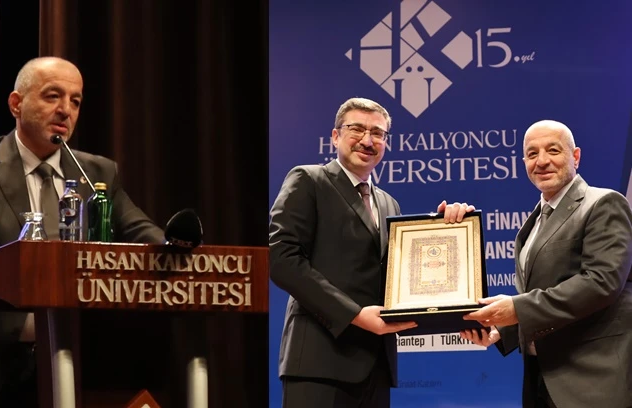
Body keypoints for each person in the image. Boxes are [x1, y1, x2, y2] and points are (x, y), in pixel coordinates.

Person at [0, 56, 165, 408]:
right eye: (52, 96)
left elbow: (139, 228)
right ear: (16, 104)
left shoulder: (97, 172)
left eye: (75, 101)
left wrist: (174, 249)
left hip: (77, 358)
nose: (65, 110)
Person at [269, 97, 474, 407]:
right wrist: (354, 315)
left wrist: (445, 230)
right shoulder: (309, 180)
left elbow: (398, 277)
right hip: (319, 362)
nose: (367, 140)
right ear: (335, 136)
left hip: (376, 365)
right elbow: (282, 260)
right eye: (357, 129)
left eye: (377, 133)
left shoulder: (389, 203)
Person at [460, 120, 632, 407]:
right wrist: (502, 329)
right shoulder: (536, 220)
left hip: (594, 380)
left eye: (553, 150)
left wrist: (517, 309)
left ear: (575, 156)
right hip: (543, 380)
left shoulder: (603, 203)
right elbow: (544, 290)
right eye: (532, 154)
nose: (541, 161)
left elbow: (602, 282)